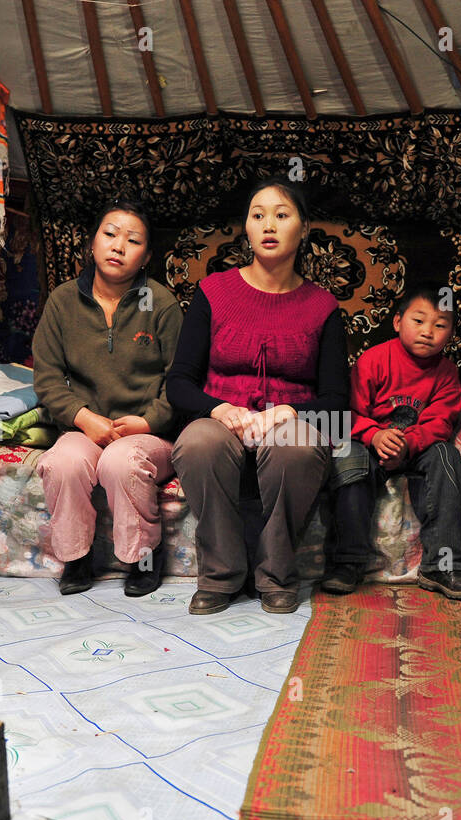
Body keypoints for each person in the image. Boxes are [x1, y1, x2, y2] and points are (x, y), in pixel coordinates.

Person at [167, 178, 348, 614]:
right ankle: (221, 574)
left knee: (297, 450)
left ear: (303, 230)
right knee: (198, 443)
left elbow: (337, 402)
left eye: (282, 215)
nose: (269, 225)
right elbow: (179, 383)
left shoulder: (322, 306)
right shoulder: (213, 293)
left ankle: (277, 574)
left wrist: (287, 411)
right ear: (246, 229)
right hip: (223, 417)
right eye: (258, 215)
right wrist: (220, 408)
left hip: (289, 422)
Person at [33, 198, 183, 597]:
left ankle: (142, 558)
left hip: (147, 432)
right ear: (92, 245)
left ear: (146, 255)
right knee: (63, 461)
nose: (118, 246)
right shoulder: (63, 302)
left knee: (121, 462)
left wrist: (149, 421)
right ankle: (76, 558)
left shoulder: (162, 304)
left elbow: (182, 380)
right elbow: (46, 378)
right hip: (87, 425)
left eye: (133, 240)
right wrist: (83, 418)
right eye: (110, 234)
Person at [322, 284, 461, 601]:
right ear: (398, 322)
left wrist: (406, 444)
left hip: (416, 447)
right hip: (371, 442)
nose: (428, 332)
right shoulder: (374, 360)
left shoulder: (446, 373)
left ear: (450, 333)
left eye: (440, 325)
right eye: (419, 321)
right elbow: (349, 412)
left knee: (446, 455)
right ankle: (347, 563)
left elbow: (440, 422)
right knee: (347, 458)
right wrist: (375, 436)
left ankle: (441, 565)